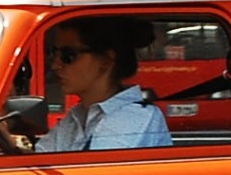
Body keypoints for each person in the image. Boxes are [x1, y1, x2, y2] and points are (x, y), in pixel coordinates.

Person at [34, 16, 171, 153]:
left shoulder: (135, 117)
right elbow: (40, 158)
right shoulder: (77, 116)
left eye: (68, 55)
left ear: (105, 60)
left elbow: (91, 171)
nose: (55, 65)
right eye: (53, 53)